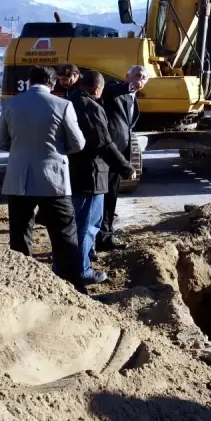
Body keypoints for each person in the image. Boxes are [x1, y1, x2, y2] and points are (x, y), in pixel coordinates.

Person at [0, 65, 87, 289]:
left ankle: (21, 287)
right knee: (64, 236)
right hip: (53, 181)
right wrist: (57, 149)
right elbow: (78, 143)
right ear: (53, 84)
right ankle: (73, 288)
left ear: (29, 82)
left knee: (20, 237)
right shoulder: (63, 105)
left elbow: (2, 142)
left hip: (18, 181)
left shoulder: (10, 104)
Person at [68, 69, 134, 285]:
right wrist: (125, 167)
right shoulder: (91, 107)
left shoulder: (73, 100)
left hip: (77, 171)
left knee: (78, 222)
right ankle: (82, 271)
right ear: (97, 89)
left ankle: (69, 265)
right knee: (88, 225)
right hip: (92, 174)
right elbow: (104, 143)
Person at [99, 65, 149, 251]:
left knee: (111, 195)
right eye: (136, 75)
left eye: (143, 78)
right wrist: (131, 85)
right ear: (127, 75)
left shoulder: (133, 98)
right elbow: (112, 89)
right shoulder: (115, 88)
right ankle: (101, 236)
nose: (139, 80)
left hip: (120, 154)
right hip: (109, 153)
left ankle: (105, 235)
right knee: (104, 196)